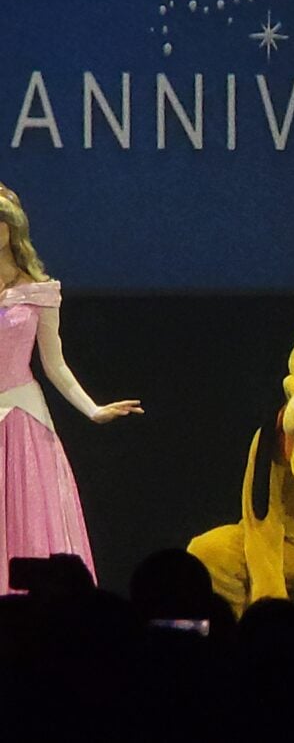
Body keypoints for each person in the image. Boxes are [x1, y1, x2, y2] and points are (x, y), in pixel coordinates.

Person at [0, 183, 141, 593]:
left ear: (12, 230)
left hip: (23, 421)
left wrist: (93, 410)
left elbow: (54, 364)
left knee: (28, 514)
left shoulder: (38, 291)